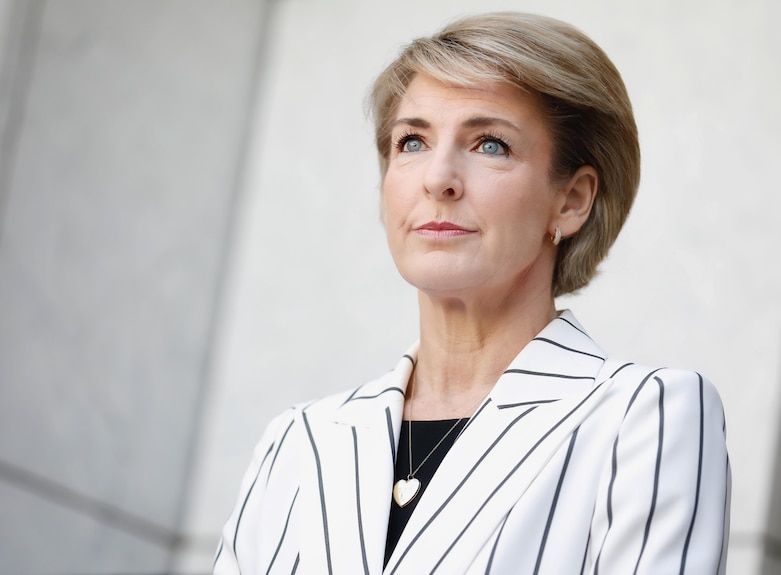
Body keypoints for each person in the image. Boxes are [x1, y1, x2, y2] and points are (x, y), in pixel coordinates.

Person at [214, 11, 730, 575]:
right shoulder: (299, 440)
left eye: (489, 144)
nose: (438, 179)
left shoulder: (643, 418)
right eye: (411, 141)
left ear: (572, 200)